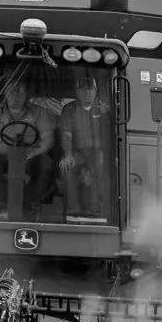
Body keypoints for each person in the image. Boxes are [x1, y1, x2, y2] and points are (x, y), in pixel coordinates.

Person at [0, 67, 65, 217]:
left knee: (45, 164)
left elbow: (48, 140)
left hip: (31, 158)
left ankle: (31, 203)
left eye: (20, 90)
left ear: (28, 94)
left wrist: (30, 154)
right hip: (1, 157)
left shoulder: (40, 112)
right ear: (5, 92)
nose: (16, 94)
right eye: (12, 90)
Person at [57, 69, 113, 222]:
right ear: (76, 91)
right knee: (67, 168)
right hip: (77, 152)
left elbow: (111, 135)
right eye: (83, 89)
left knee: (101, 168)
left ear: (95, 91)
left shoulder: (104, 108)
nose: (87, 93)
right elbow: (66, 134)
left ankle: (97, 211)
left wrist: (106, 116)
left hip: (99, 152)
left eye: (90, 89)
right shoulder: (69, 109)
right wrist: (68, 156)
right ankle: (73, 212)